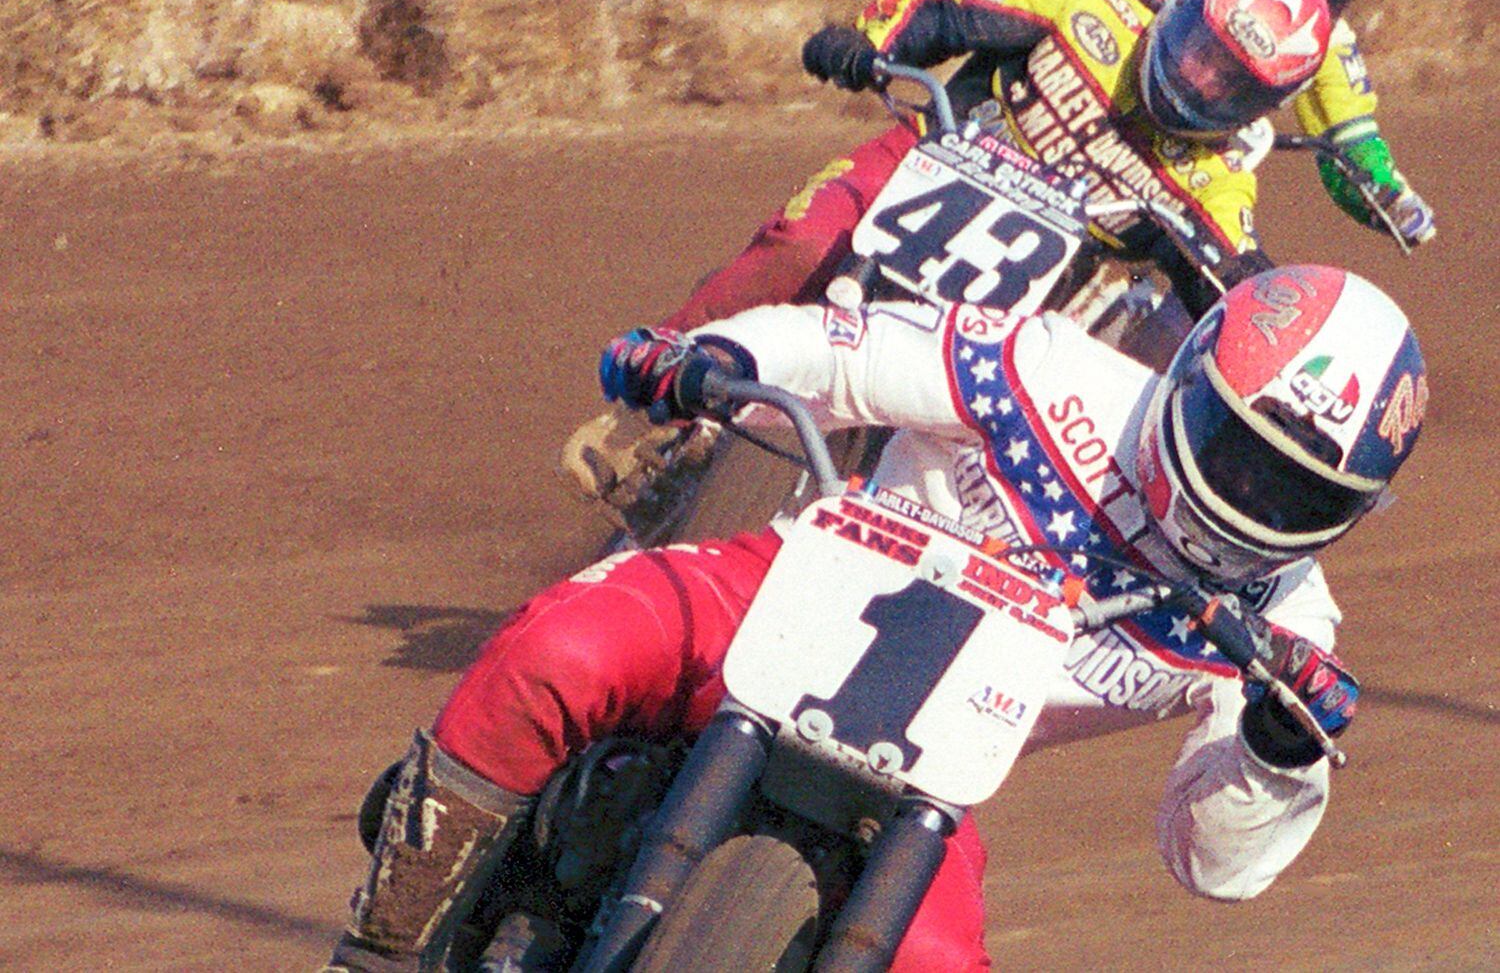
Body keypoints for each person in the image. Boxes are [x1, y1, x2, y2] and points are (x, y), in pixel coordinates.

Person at [324, 261, 1428, 971]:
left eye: (1301, 492)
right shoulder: (1049, 371)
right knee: (562, 647)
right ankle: (380, 948)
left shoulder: (1288, 628)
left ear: (1351, 510)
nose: (1252, 495)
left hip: (925, 792)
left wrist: (1277, 754)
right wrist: (719, 360)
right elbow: (854, 354)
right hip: (769, 598)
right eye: (1238, 450)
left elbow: (1212, 861)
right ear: (1190, 378)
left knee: (942, 961)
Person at [563, 0, 1332, 516]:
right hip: (924, 156)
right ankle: (640, 402)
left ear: (1260, 107)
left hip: (1022, 288)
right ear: (1183, 6)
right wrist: (870, 43)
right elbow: (941, 9)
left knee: (979, 431)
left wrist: (1276, 357)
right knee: (803, 244)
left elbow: (1238, 284)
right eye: (1200, 49)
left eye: (1230, 81)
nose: (1199, 78)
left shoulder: (1216, 178)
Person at [1049, 0, 1435, 247]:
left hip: (1171, 160)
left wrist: (1392, 198)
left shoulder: (1328, 43)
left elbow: (1351, 140)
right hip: (1075, 70)